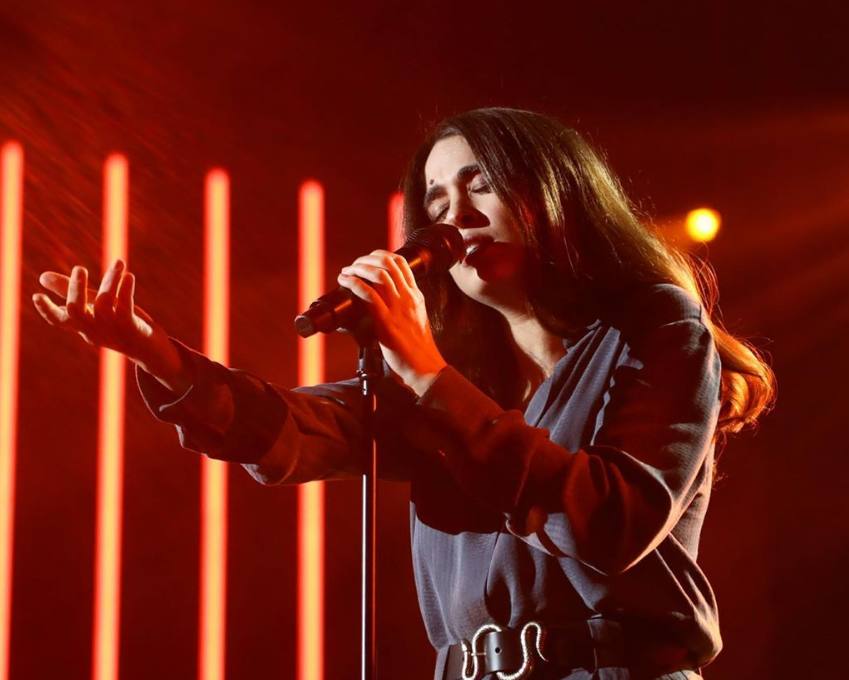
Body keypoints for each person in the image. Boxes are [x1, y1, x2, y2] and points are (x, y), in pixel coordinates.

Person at [32, 107, 775, 680]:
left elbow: (609, 524)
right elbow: (291, 429)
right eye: (435, 198)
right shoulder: (451, 378)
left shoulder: (652, 326)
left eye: (480, 183)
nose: (454, 215)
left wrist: (425, 370)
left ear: (557, 193)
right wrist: (154, 351)